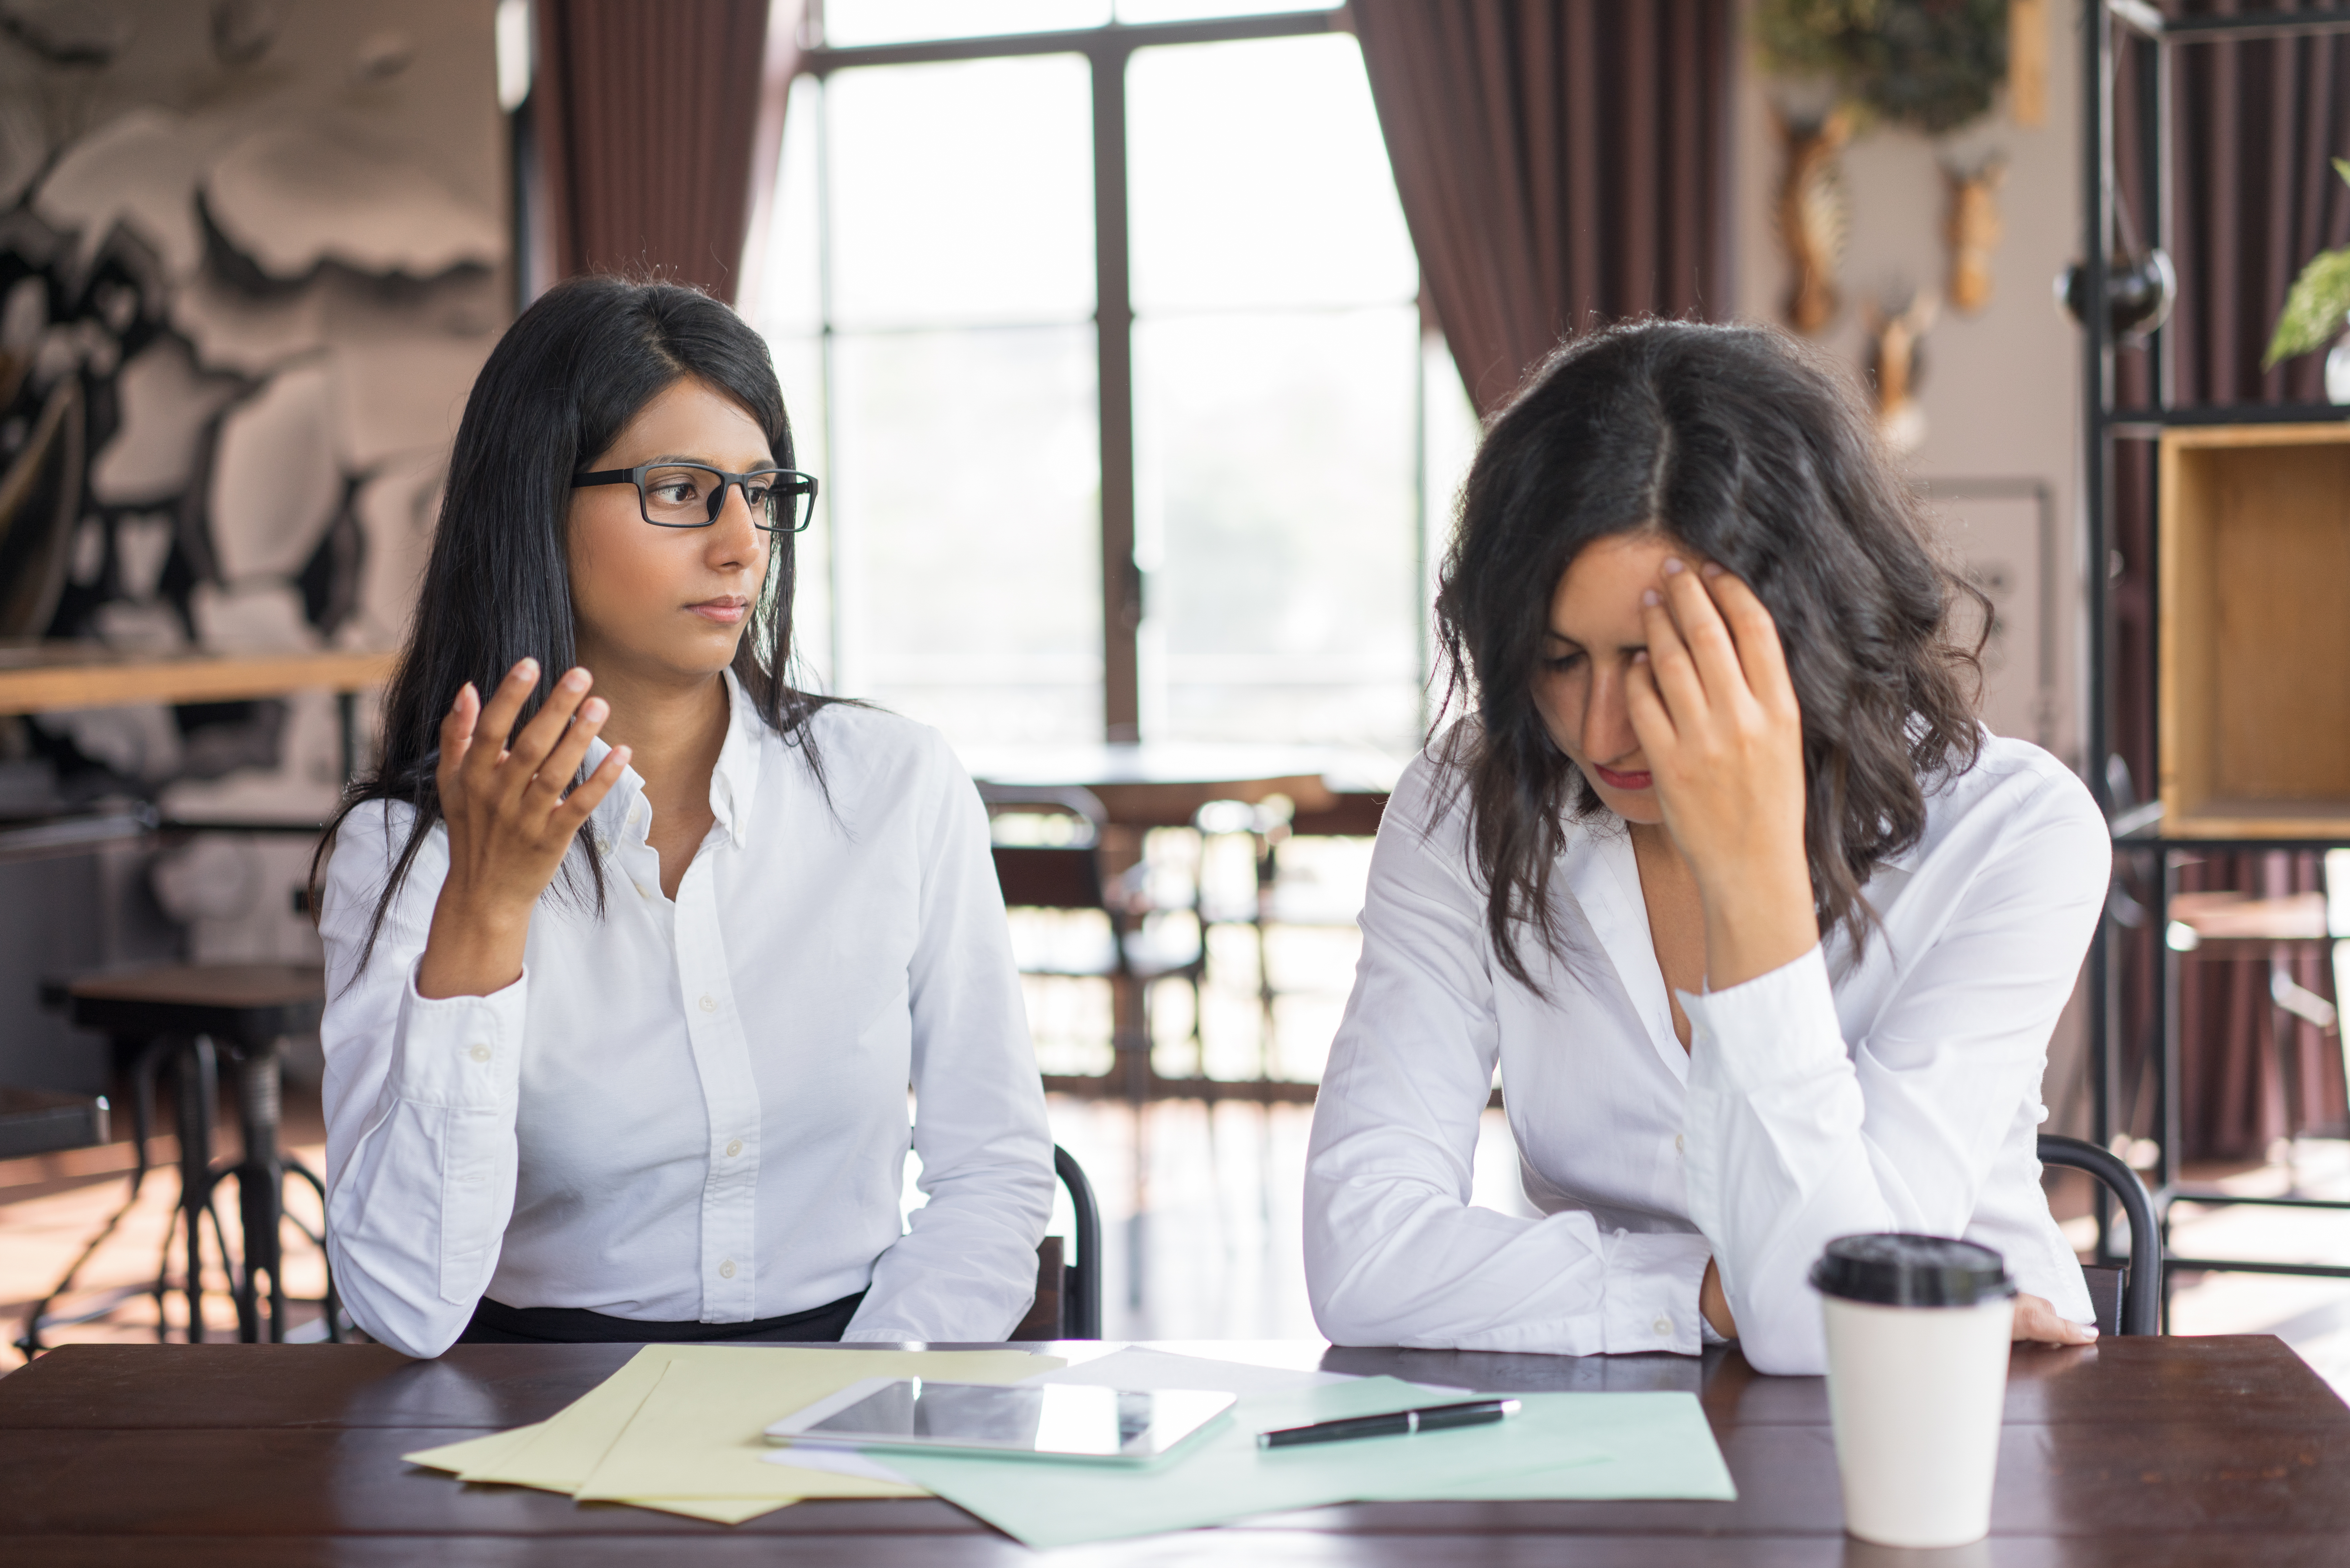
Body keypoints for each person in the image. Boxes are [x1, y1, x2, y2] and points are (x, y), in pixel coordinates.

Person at [1303, 321, 2104, 1376]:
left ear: (1805, 624)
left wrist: (1753, 877)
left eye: (1653, 659)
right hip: (1609, 1432)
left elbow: (1832, 1335)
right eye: (1555, 660)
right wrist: (1709, 1291)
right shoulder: (1467, 803)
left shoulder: (2012, 835)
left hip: (1951, 1425)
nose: (1597, 733)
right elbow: (1360, 1253)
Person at [314, 276, 1053, 1358]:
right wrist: (487, 905)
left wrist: (873, 1392)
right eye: (679, 489)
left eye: (760, 494)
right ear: (537, 504)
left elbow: (992, 1175)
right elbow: (405, 1306)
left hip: (857, 1380)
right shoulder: (407, 850)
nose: (741, 543)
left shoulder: (893, 787)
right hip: (536, 1409)